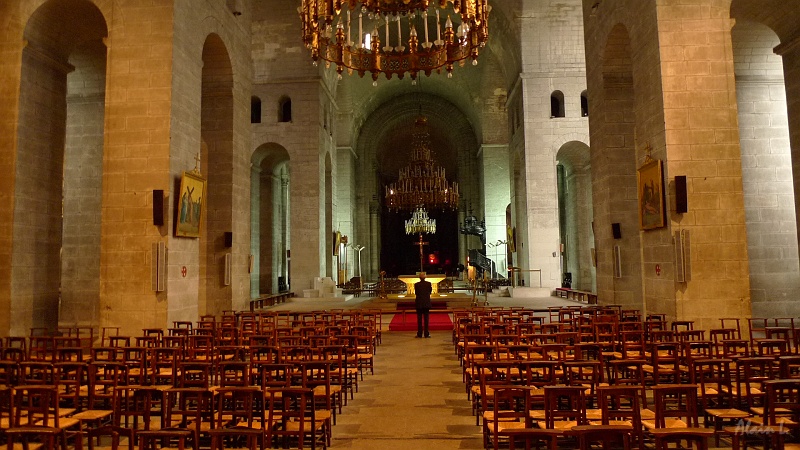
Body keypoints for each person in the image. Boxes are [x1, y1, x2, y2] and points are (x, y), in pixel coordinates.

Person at [414, 272, 433, 338]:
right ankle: (426, 334)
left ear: (419, 277)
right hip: (426, 303)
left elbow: (416, 293)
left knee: (419, 319)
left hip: (419, 303)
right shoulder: (428, 284)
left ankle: (419, 334)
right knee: (426, 319)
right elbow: (430, 292)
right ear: (425, 277)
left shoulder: (416, 284)